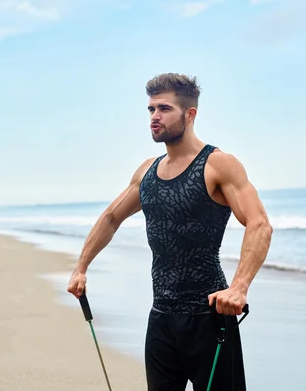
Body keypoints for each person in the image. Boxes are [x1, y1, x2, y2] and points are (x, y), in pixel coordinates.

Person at [67, 73, 273, 390]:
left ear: (190, 114)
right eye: (150, 109)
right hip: (161, 319)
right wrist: (81, 268)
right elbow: (110, 218)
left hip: (210, 318)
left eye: (164, 108)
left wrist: (239, 287)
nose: (154, 117)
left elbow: (259, 224)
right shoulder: (147, 171)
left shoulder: (218, 164)